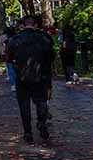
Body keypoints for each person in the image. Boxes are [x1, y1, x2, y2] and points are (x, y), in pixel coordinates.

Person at [6, 15, 56, 143]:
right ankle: (41, 122)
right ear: (35, 25)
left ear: (23, 25)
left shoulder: (15, 39)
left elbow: (9, 58)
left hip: (22, 77)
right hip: (41, 76)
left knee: (24, 105)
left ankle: (28, 132)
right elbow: (51, 56)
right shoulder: (44, 38)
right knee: (42, 102)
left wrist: (17, 67)